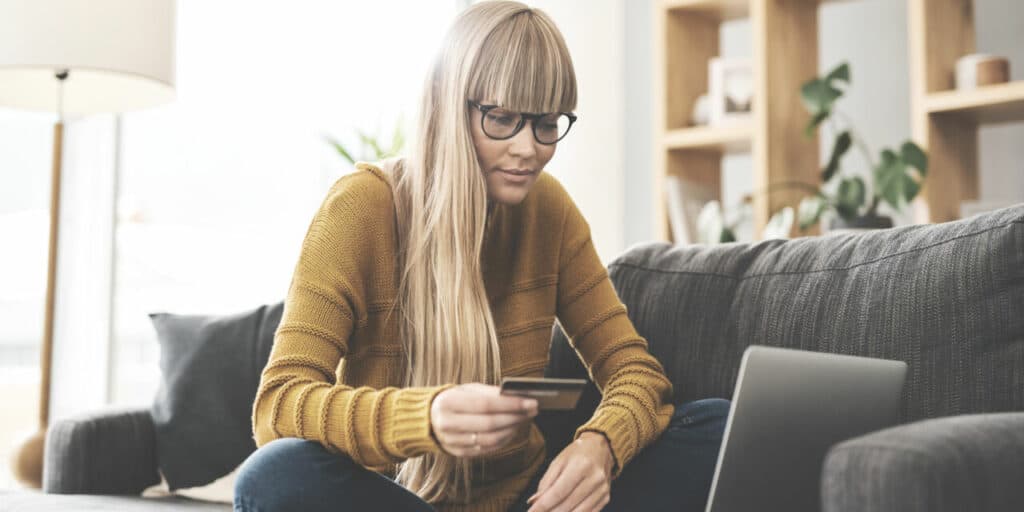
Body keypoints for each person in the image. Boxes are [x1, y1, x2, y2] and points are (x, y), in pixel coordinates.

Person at [233, 1, 729, 511]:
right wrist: (424, 418)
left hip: (523, 500)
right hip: (399, 500)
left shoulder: (549, 212)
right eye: (502, 118)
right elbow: (279, 406)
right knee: (273, 477)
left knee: (718, 427)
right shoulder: (360, 208)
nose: (527, 148)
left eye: (546, 123)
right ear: (450, 107)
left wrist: (599, 446)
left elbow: (637, 374)